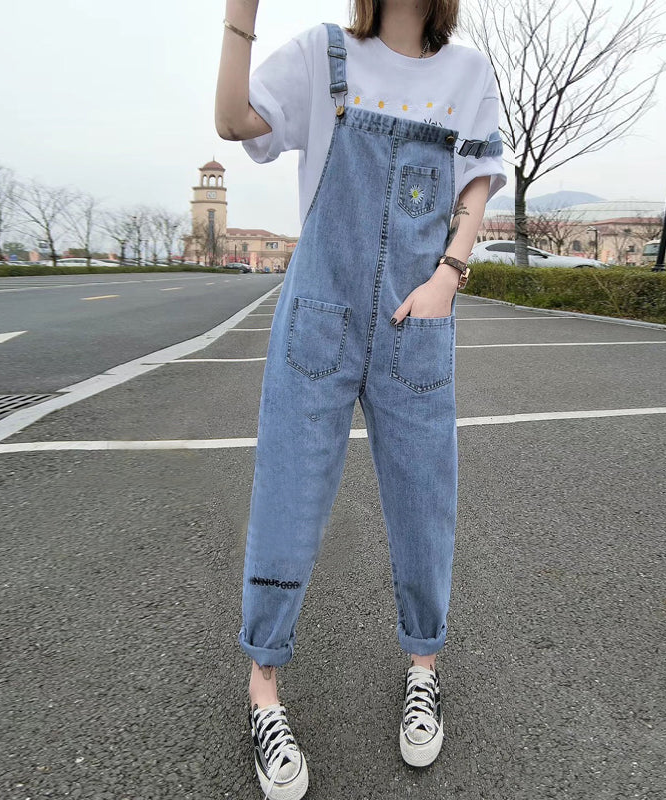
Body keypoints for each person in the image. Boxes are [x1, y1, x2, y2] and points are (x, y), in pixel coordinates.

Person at [216, 1, 506, 797]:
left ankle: (424, 666)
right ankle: (263, 689)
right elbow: (234, 122)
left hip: (418, 317)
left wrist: (449, 275)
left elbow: (478, 177)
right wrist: (239, 16)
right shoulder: (324, 55)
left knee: (425, 499)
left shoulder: (467, 73)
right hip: (319, 315)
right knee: (288, 494)